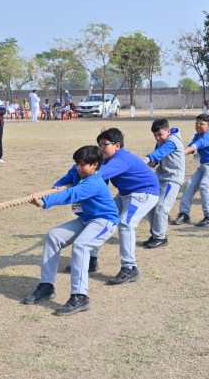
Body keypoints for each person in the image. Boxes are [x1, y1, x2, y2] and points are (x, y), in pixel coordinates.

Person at [23, 145, 120, 316]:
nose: (78, 168)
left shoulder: (94, 182)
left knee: (81, 246)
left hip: (104, 221)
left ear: (95, 165)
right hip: (85, 219)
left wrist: (43, 202)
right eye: (77, 164)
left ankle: (80, 296)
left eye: (83, 165)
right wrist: (57, 186)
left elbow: (71, 194)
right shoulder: (77, 172)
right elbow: (65, 180)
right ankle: (47, 286)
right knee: (53, 236)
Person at [94, 128, 159, 284]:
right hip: (125, 194)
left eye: (104, 145)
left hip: (143, 193)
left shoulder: (121, 159)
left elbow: (97, 175)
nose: (101, 148)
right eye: (99, 145)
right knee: (101, 219)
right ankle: (90, 259)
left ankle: (129, 268)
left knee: (126, 224)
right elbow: (100, 181)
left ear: (117, 145)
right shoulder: (107, 159)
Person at [173, 114, 209, 227]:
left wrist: (185, 152)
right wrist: (180, 151)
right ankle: (184, 214)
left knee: (204, 185)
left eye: (201, 124)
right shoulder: (197, 135)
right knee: (189, 184)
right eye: (196, 123)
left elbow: (196, 145)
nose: (198, 125)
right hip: (204, 166)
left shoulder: (208, 136)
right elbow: (191, 146)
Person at [143, 119, 185, 249]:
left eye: (160, 134)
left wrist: (147, 159)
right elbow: (158, 157)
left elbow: (161, 152)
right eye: (155, 135)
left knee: (161, 207)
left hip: (172, 179)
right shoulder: (161, 141)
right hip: (160, 178)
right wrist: (153, 163)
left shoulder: (173, 141)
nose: (157, 138)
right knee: (151, 205)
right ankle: (155, 234)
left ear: (168, 131)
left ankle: (160, 237)